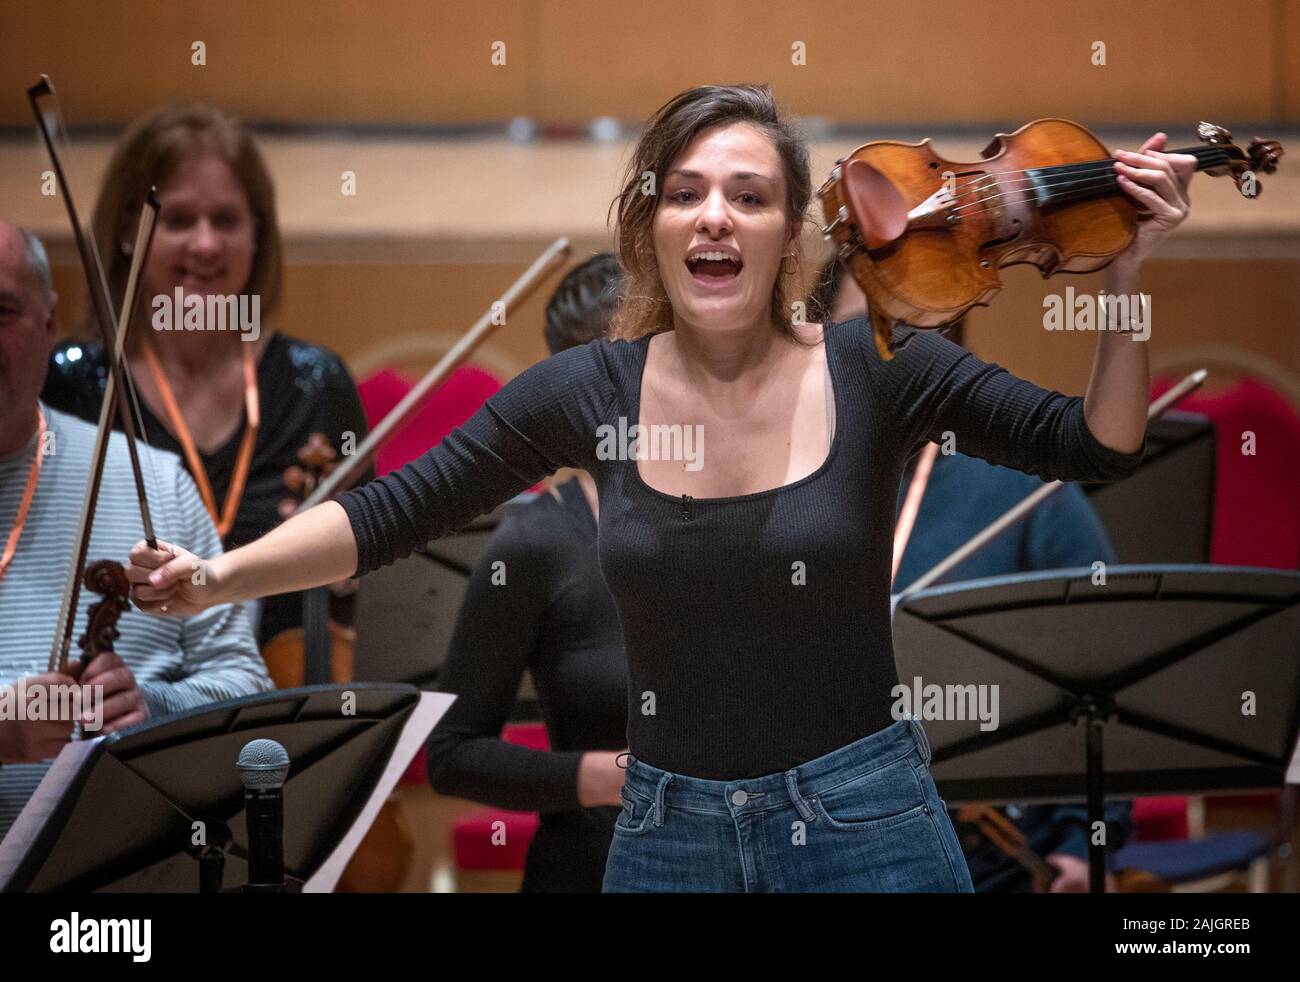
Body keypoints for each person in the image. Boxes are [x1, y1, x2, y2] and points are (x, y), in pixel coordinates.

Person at [124, 84, 1194, 893]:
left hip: (868, 823)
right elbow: (393, 511)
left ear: (789, 236)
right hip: (664, 833)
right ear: (652, 228)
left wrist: (1129, 276)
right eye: (684, 193)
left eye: (748, 195)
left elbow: (1094, 442)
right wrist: (215, 576)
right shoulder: (590, 389)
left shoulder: (881, 363)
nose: (714, 216)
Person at [817, 258, 1136, 892]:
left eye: (906, 334)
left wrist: (1081, 842)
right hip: (819, 838)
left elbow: (1112, 669)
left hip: (994, 850)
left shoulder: (1023, 490)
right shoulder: (779, 485)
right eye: (858, 334)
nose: (883, 360)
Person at [40, 103, 370, 648]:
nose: (206, 244)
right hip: (121, 699)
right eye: (177, 220)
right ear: (128, 230)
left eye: (225, 220)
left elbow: (361, 582)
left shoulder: (317, 385)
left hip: (287, 705)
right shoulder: (70, 389)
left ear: (258, 234)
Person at [0, 223, 271, 841]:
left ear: (47, 328)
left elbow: (247, 690)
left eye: (2, 311)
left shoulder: (156, 483)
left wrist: (153, 709)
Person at [425, 252, 627, 892]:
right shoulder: (536, 543)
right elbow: (452, 754)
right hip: (590, 869)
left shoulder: (753, 515)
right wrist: (607, 778)